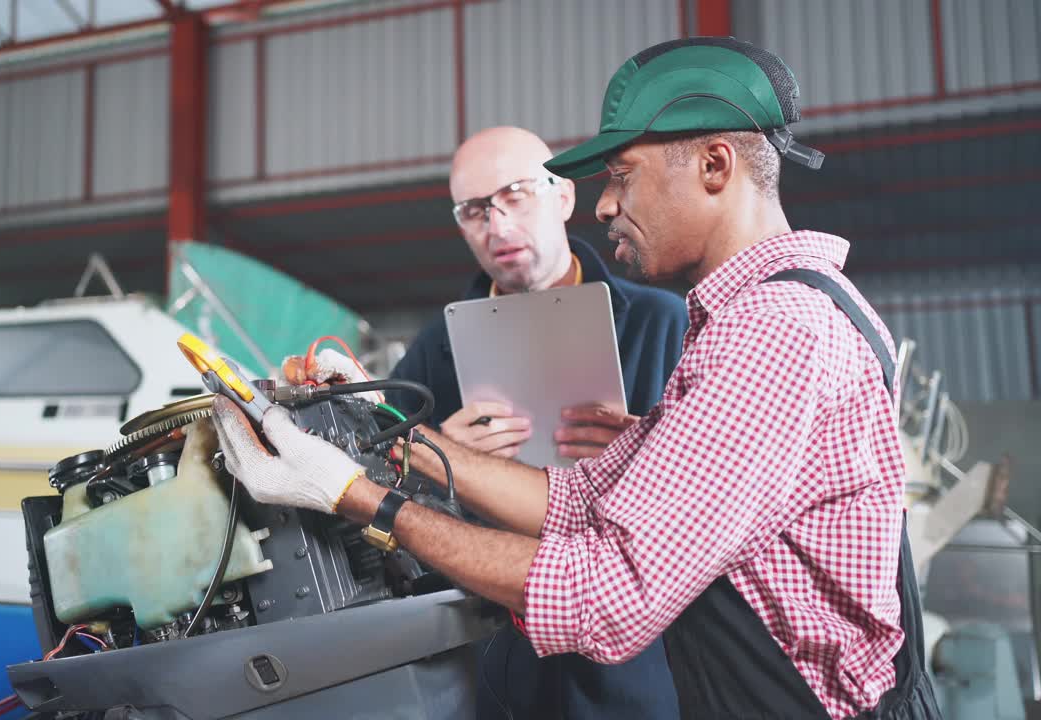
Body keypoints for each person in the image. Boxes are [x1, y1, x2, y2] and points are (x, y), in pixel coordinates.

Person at [214, 37, 941, 720]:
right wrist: (382, 426)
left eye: (622, 176)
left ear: (717, 166)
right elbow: (581, 497)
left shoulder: (774, 333)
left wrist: (354, 495)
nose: (604, 205)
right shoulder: (748, 317)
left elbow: (604, 595)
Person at [385, 125, 687, 718]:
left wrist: (642, 449)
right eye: (474, 210)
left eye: (516, 194)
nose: (497, 226)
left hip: (636, 664)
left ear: (565, 197)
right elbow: (385, 485)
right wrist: (443, 459)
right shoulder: (432, 353)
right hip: (490, 662)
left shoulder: (662, 323)